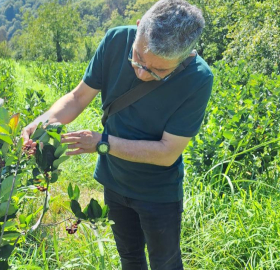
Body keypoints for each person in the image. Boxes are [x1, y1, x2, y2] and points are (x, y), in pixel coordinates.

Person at [22, 0, 213, 269]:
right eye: (138, 58)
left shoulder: (198, 79)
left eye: (158, 71)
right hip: (114, 181)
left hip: (158, 193)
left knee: (165, 263)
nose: (141, 73)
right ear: (138, 29)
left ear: (183, 58)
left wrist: (102, 143)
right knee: (130, 258)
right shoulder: (115, 41)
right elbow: (77, 98)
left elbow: (168, 152)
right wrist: (39, 124)